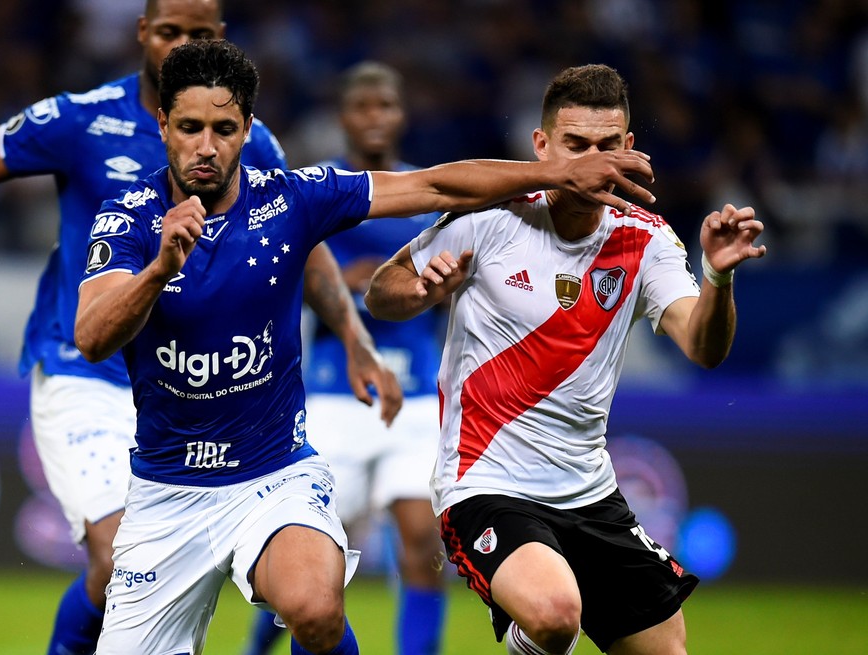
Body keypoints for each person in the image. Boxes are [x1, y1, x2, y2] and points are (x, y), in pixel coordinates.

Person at [73, 39, 656, 655]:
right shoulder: (129, 218)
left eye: (224, 127)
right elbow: (92, 336)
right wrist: (161, 266)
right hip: (166, 492)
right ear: (162, 124)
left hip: (272, 476)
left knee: (315, 607)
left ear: (247, 128)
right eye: (190, 127)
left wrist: (556, 173)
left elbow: (434, 187)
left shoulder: (290, 199)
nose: (206, 146)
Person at [0, 2, 401, 655]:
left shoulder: (248, 137)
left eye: (200, 33)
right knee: (112, 552)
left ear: (220, 39)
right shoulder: (82, 119)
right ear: (142, 34)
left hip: (191, 385)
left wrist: (354, 338)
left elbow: (297, 236)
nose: (182, 43)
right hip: (86, 367)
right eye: (169, 31)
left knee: (309, 595)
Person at [365, 63, 767, 655]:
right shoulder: (492, 217)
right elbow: (381, 291)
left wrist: (716, 279)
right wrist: (424, 290)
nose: (592, 163)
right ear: (542, 145)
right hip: (486, 482)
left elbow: (703, 348)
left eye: (607, 147)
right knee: (555, 615)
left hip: (589, 491)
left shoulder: (646, 239)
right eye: (575, 146)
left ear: (629, 149)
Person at [242, 61, 448, 655]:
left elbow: (444, 282)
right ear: (344, 117)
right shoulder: (314, 192)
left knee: (421, 542)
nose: (374, 117)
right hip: (334, 392)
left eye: (385, 106)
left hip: (413, 395)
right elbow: (293, 274)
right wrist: (355, 281)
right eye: (363, 107)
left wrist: (402, 284)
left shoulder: (427, 193)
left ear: (401, 114)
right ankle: (259, 645)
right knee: (311, 556)